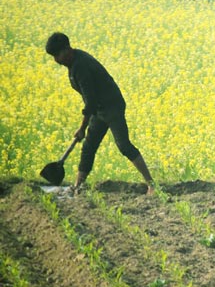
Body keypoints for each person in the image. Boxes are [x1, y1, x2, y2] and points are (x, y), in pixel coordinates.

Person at [45, 32, 155, 194]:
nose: (56, 60)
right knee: (89, 147)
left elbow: (89, 101)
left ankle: (152, 184)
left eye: (57, 54)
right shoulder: (73, 64)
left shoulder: (80, 66)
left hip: (111, 107)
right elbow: (91, 101)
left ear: (67, 49)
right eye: (53, 56)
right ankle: (77, 186)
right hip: (99, 109)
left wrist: (82, 128)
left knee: (124, 145)